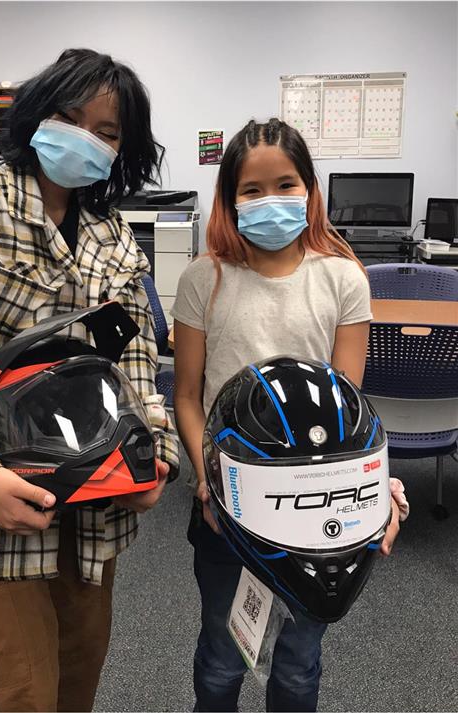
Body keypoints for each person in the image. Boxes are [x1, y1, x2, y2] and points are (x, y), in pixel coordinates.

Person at [0, 48, 179, 713]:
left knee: (76, 683)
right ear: (33, 116)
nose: (86, 139)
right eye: (69, 117)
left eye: (107, 132)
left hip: (91, 508)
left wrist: (154, 455)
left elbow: (135, 364)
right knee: (10, 694)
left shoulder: (111, 233)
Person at [172, 117, 409, 712]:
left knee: (299, 666)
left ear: (310, 189)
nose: (269, 201)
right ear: (229, 199)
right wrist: (209, 478)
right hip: (229, 508)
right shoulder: (206, 279)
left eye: (285, 185)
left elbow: (347, 411)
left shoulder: (343, 278)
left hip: (315, 512)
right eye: (251, 190)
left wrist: (376, 488)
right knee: (223, 658)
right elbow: (188, 396)